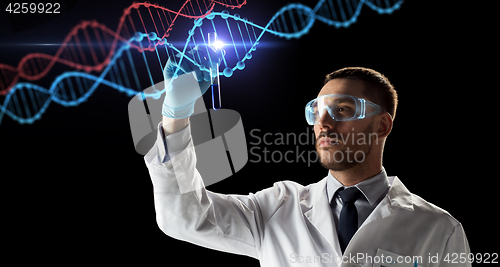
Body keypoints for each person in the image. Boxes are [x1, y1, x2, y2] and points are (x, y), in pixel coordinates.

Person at [144, 46, 470, 266]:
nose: (324, 123)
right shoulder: (276, 209)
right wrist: (176, 115)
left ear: (382, 125)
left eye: (343, 109)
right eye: (317, 111)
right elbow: (185, 218)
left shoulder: (438, 230)